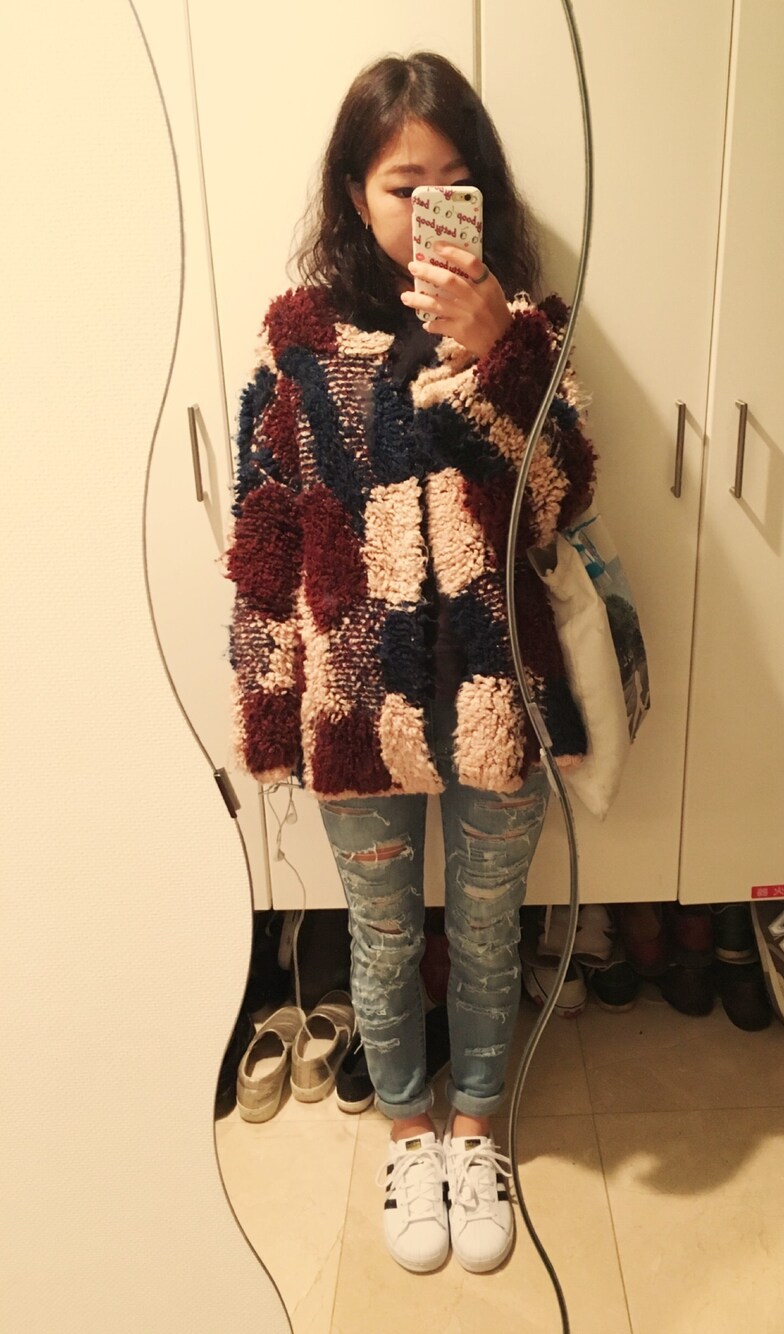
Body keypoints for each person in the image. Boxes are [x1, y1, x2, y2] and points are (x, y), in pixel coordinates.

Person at [224, 51, 598, 1275]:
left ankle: (475, 1128)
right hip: (357, 704)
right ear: (354, 194)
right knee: (382, 940)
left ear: (482, 192)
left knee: (487, 934)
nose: (428, 206)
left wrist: (503, 358)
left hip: (498, 694)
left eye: (453, 183)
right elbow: (264, 534)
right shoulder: (300, 344)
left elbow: (561, 503)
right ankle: (406, 1131)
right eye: (402, 185)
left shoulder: (527, 328)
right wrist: (267, 706)